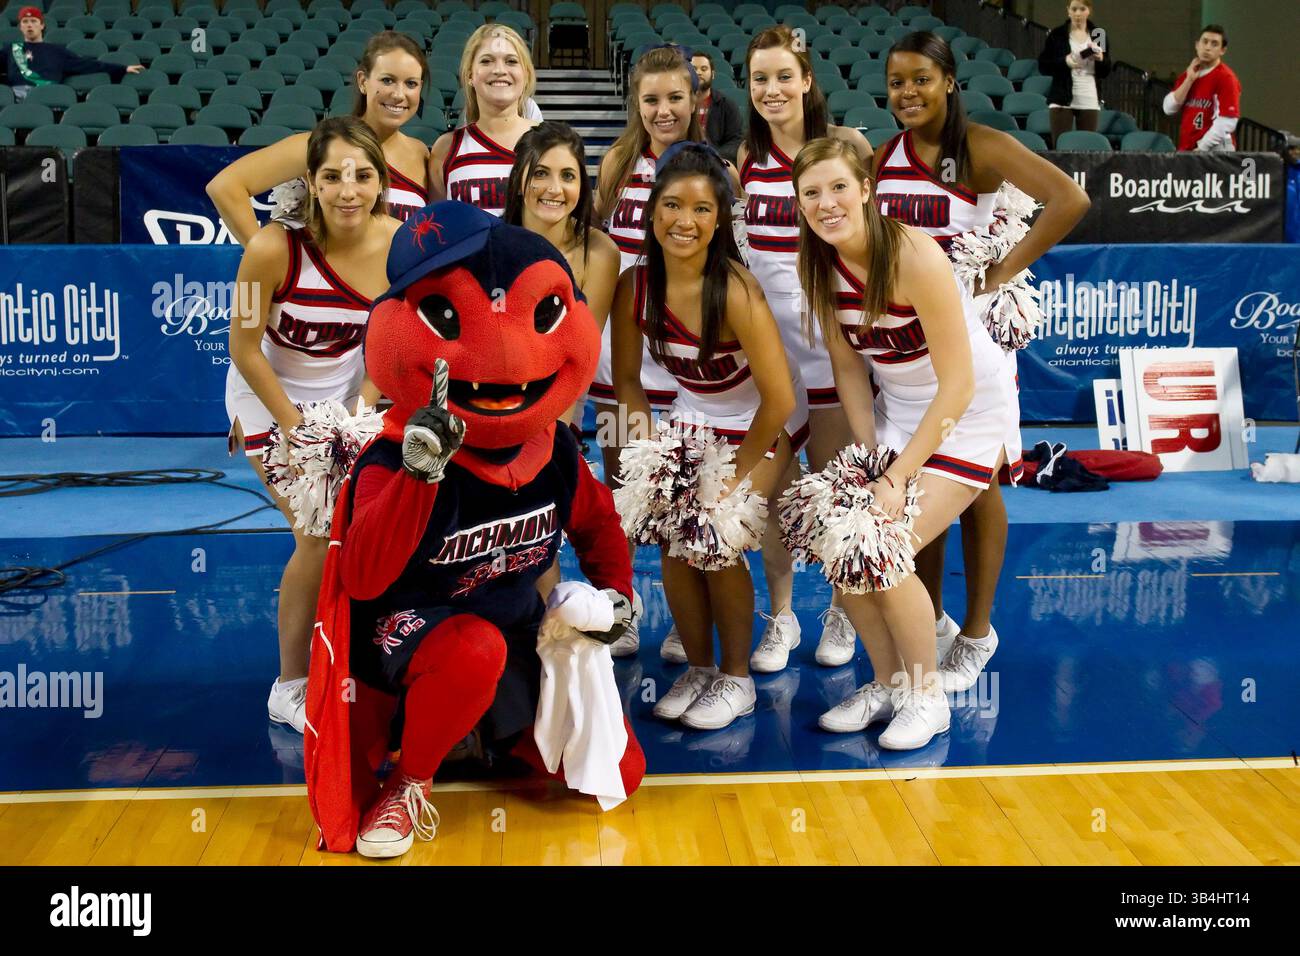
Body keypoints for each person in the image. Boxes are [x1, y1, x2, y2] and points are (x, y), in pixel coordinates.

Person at [305, 202, 644, 857]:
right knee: (472, 652)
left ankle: (479, 731)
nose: (504, 357)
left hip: (513, 632)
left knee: (612, 774)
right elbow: (363, 575)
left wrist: (615, 596)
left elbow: (601, 530)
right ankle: (410, 780)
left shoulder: (555, 451)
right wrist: (418, 479)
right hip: (408, 638)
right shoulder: (392, 456)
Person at [878, 31, 1088, 693]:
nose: (907, 93)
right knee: (922, 487)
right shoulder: (885, 157)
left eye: (920, 79)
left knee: (979, 484)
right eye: (896, 82)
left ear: (947, 82)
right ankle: (933, 619)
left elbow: (1070, 200)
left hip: (972, 340)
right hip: (911, 352)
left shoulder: (981, 146)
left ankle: (976, 633)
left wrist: (1001, 270)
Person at [793, 137, 1018, 751]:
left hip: (968, 410)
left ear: (866, 189)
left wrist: (896, 478)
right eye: (811, 193)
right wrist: (870, 459)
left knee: (883, 542)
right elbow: (848, 372)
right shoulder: (816, 262)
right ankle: (891, 685)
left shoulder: (914, 255)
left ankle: (927, 697)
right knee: (846, 544)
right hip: (898, 411)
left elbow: (960, 382)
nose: (826, 203)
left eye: (838, 187)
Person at [610, 143, 805, 731]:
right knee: (673, 541)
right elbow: (627, 382)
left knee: (715, 539)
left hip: (759, 427)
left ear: (719, 220)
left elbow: (780, 401)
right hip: (692, 418)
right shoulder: (634, 287)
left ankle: (737, 679)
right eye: (671, 205)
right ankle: (699, 669)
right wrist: (651, 460)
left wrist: (732, 484)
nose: (684, 221)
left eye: (700, 209)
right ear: (651, 212)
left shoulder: (736, 290)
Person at [225, 117, 401, 733]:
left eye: (363, 175)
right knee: (314, 532)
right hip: (265, 395)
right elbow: (243, 349)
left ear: (382, 181)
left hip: (347, 394)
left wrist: (363, 409)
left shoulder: (400, 244)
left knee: (358, 530)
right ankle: (289, 685)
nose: (348, 189)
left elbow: (390, 343)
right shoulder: (270, 248)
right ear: (311, 181)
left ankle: (353, 658)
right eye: (333, 175)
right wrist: (297, 430)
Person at [738, 25, 873, 674]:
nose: (771, 90)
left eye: (782, 76)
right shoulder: (743, 158)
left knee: (840, 496)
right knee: (772, 499)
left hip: (835, 354)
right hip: (770, 363)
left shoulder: (846, 149)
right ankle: (781, 616)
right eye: (759, 79)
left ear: (807, 80)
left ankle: (844, 610)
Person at [588, 45, 708, 658]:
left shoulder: (719, 169)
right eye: (651, 100)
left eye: (675, 97)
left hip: (688, 361)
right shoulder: (616, 164)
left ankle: (691, 624)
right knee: (620, 488)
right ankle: (624, 608)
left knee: (684, 491)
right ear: (636, 103)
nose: (664, 110)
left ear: (696, 99)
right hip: (620, 357)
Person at [503, 121, 621, 602]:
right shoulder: (491, 243)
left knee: (545, 524)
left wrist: (555, 431)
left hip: (556, 410)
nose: (555, 189)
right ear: (519, 179)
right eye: (541, 174)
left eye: (568, 175)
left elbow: (581, 352)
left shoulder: (600, 251)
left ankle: (613, 611)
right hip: (495, 409)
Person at [208, 32, 431, 242]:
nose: (399, 94)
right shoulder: (320, 144)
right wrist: (264, 256)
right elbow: (225, 186)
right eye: (387, 80)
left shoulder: (421, 152)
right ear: (363, 81)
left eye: (410, 83)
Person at [428, 23, 539, 216]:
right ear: (470, 75)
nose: (499, 70)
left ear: (526, 74)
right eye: (486, 61)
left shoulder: (551, 142)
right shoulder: (446, 148)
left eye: (511, 61)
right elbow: (439, 227)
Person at [7, 6, 142, 100]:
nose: (29, 25)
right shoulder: (12, 49)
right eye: (25, 22)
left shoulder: (56, 51)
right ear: (20, 26)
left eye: (33, 21)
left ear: (42, 25)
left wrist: (122, 68)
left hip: (48, 96)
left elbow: (86, 64)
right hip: (17, 97)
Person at [1037, 0, 1110, 144]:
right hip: (1062, 98)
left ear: (1089, 10)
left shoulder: (1098, 34)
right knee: (1060, 146)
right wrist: (1065, 62)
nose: (1078, 14)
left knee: (1088, 148)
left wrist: (1101, 59)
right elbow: (1043, 66)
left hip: (1089, 96)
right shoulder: (1057, 34)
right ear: (1068, 10)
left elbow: (1105, 71)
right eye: (1074, 9)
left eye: (1082, 9)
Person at [1162, 25, 1241, 152]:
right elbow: (1168, 108)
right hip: (1189, 146)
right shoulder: (1189, 73)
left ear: (1222, 50)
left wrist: (1202, 147)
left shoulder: (1226, 77)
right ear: (1197, 45)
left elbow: (1228, 121)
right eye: (1205, 42)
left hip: (1215, 148)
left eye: (1214, 44)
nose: (1208, 47)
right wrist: (1189, 80)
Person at [691, 51, 743, 164]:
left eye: (704, 69)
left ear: (713, 74)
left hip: (716, 164)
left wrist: (714, 157)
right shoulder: (677, 104)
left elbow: (735, 141)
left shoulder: (727, 105)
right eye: (694, 69)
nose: (698, 72)